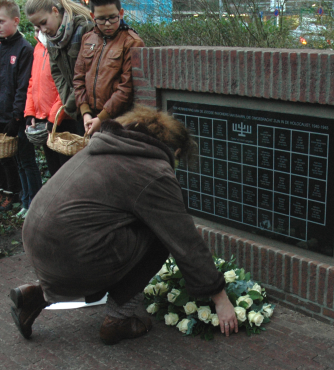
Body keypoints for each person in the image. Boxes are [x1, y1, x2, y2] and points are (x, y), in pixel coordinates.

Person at [13, 106, 239, 344]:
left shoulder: (104, 147)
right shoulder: (154, 171)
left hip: (36, 239)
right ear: (177, 150)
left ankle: (36, 296)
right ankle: (118, 320)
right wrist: (220, 298)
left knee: (103, 236)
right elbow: (185, 240)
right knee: (160, 236)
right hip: (71, 252)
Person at [0, 0, 40, 213]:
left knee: (27, 161)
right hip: (2, 118)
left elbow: (23, 86)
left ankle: (33, 202)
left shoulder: (24, 49)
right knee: (16, 162)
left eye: (1, 21)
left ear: (15, 21)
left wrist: (16, 117)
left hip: (19, 118)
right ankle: (25, 200)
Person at [73, 0, 145, 135]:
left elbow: (126, 88)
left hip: (117, 120)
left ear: (121, 13)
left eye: (112, 17)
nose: (107, 24)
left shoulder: (132, 42)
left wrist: (101, 118)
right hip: (88, 118)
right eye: (101, 19)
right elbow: (78, 78)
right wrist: (85, 112)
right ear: (93, 16)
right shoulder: (88, 39)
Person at [25, 0, 95, 137]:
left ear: (55, 11)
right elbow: (57, 73)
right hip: (78, 108)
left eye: (44, 22)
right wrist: (70, 102)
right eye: (38, 26)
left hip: (94, 105)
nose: (43, 30)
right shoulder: (52, 39)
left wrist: (71, 102)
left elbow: (90, 73)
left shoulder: (84, 29)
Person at [24, 27, 70, 184]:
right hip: (43, 120)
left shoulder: (58, 46)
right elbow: (33, 82)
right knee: (54, 170)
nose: (37, 32)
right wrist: (30, 112)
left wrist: (53, 118)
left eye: (40, 26)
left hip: (61, 120)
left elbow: (65, 85)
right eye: (35, 28)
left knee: (66, 171)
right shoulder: (38, 47)